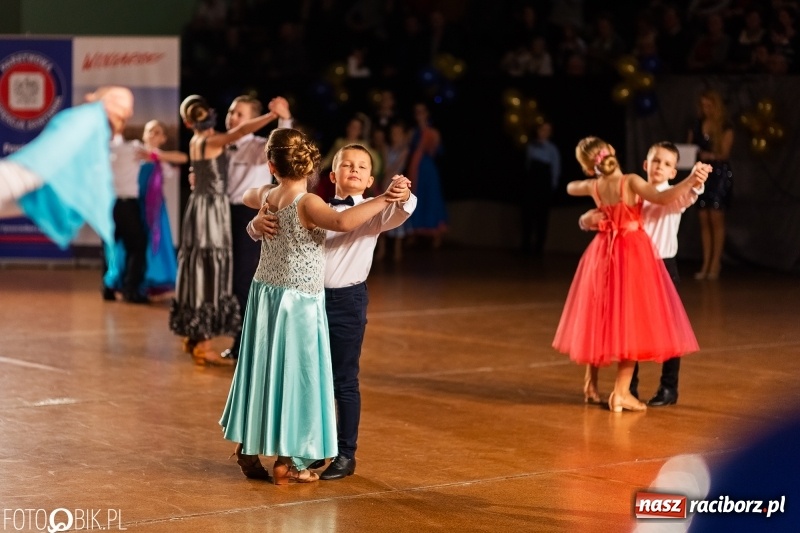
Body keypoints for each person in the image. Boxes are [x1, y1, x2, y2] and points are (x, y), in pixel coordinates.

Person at [219, 129, 412, 484]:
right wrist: (385, 196)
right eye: (346, 165)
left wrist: (257, 215)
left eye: (361, 167)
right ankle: (289, 460)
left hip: (272, 296)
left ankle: (261, 447)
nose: (354, 170)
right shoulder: (309, 203)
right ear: (318, 170)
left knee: (272, 372)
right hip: (300, 302)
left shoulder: (272, 194)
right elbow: (341, 222)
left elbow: (248, 194)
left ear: (271, 166)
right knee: (298, 378)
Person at [552, 136, 707, 413]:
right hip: (629, 264)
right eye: (656, 161)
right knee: (628, 326)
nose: (659, 167)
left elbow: (678, 196)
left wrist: (694, 180)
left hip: (658, 263)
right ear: (645, 164)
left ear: (673, 171)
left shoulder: (658, 191)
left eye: (667, 164)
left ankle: (667, 386)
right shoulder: (633, 185)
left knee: (667, 327)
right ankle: (625, 389)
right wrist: (585, 220)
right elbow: (608, 207)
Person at [170, 94, 279, 366]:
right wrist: (271, 116)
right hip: (212, 211)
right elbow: (240, 132)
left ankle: (195, 335)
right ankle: (203, 342)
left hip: (199, 208)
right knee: (210, 269)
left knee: (198, 268)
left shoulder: (197, 141)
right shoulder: (214, 140)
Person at [0, 87, 133, 248]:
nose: (127, 111)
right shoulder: (88, 118)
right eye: (116, 100)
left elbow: (24, 193)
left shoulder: (95, 133)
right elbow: (31, 172)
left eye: (128, 109)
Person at [220, 94, 293, 360]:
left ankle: (247, 341)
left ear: (254, 119)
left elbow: (284, 144)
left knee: (243, 279)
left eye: (239, 114)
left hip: (248, 214)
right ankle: (238, 335)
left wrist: (283, 117)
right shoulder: (221, 144)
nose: (232, 117)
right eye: (231, 112)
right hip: (222, 214)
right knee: (227, 278)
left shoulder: (261, 146)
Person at [103, 120, 187, 301]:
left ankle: (148, 283)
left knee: (150, 245)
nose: (152, 135)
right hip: (134, 207)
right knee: (126, 246)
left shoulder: (160, 158)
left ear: (163, 138)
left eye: (157, 132)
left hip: (154, 210)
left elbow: (183, 158)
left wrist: (156, 156)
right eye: (149, 131)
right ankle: (123, 283)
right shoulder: (135, 151)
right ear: (144, 135)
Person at [688, 88, 734, 280]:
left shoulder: (725, 127)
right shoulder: (697, 125)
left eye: (709, 105)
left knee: (716, 218)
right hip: (701, 174)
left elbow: (724, 154)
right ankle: (706, 262)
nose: (706, 109)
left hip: (718, 175)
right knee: (703, 219)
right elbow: (690, 149)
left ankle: (716, 263)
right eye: (703, 105)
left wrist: (711, 156)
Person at [407, 102, 447, 248]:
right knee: (415, 197)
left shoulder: (432, 132)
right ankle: (413, 233)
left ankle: (436, 235)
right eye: (417, 112)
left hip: (428, 169)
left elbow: (438, 151)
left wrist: (430, 142)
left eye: (422, 111)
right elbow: (406, 149)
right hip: (415, 169)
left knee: (431, 198)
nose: (419, 114)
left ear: (427, 113)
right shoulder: (412, 133)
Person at [521, 120, 561, 256]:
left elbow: (556, 168)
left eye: (547, 130)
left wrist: (552, 186)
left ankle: (539, 249)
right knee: (528, 216)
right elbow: (527, 165)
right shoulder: (531, 147)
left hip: (544, 186)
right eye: (542, 129)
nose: (544, 132)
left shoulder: (552, 149)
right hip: (531, 185)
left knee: (542, 218)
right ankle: (525, 247)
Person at [375, 120, 411, 262]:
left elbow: (397, 165)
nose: (395, 135)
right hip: (386, 182)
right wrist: (385, 180)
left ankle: (397, 250)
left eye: (398, 133)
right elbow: (385, 166)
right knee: (382, 214)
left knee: (398, 213)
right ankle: (382, 249)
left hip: (398, 183)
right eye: (393, 133)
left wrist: (392, 178)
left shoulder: (404, 150)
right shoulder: (386, 148)